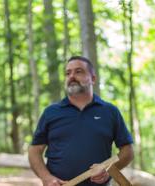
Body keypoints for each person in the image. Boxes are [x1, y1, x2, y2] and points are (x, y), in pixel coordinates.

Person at [28, 56, 134, 186]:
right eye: (68, 73)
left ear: (93, 78)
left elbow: (127, 151)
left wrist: (108, 169)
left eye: (78, 71)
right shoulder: (51, 112)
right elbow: (34, 150)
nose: (72, 76)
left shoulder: (110, 111)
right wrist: (46, 178)